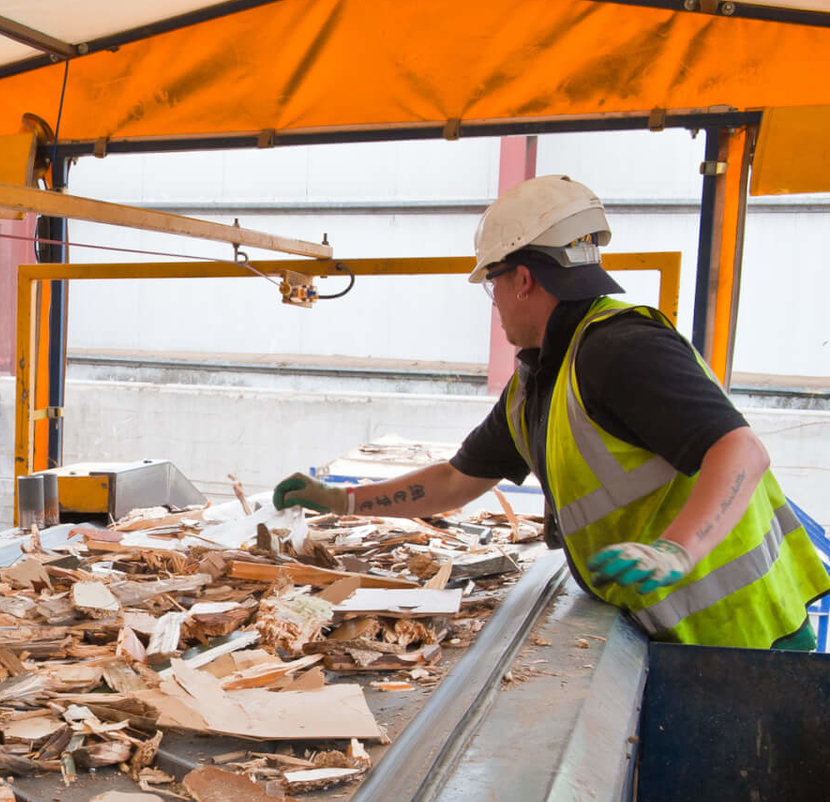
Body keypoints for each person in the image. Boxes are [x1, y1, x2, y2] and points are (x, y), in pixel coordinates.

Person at [274, 174, 826, 650]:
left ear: (523, 279)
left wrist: (675, 550)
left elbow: (741, 451)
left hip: (745, 636)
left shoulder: (620, 347)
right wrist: (340, 501)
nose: (494, 307)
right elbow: (456, 479)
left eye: (492, 286)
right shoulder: (541, 378)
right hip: (674, 632)